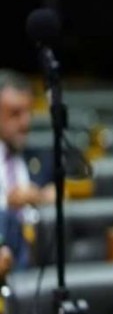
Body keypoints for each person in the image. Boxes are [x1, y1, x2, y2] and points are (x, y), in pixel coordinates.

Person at [0, 68, 55, 276]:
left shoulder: (39, 158)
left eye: (28, 113)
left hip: (38, 263)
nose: (25, 123)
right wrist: (7, 202)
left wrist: (41, 196)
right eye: (15, 113)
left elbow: (63, 192)